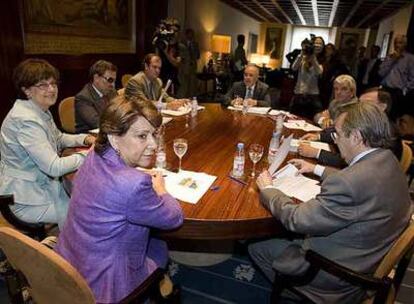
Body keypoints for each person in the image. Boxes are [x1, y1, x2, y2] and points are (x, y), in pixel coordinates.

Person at [249, 101, 411, 303]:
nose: (335, 141)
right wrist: (316, 168)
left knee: (256, 247)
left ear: (356, 137)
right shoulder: (388, 159)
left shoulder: (348, 183)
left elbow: (297, 219)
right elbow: (359, 179)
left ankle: (296, 293)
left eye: (338, 135)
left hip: (335, 275)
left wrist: (268, 190)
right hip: (367, 254)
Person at [55, 96, 184, 303]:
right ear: (114, 138)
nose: (153, 144)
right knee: (160, 245)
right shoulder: (133, 184)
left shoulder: (93, 155)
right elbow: (174, 218)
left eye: (154, 134)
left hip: (72, 258)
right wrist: (161, 190)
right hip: (107, 281)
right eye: (142, 136)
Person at [0, 59, 95, 229]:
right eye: (43, 85)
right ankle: (72, 252)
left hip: (40, 187)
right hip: (25, 199)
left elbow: (57, 138)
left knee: (85, 199)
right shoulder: (26, 119)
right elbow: (54, 167)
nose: (51, 89)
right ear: (26, 90)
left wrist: (84, 139)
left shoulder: (39, 109)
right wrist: (89, 154)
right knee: (87, 213)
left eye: (53, 83)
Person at [75, 60, 118, 133]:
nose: (113, 85)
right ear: (96, 78)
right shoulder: (83, 97)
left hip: (112, 132)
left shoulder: (112, 92)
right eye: (110, 80)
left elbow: (120, 112)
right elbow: (97, 123)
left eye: (114, 81)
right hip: (89, 138)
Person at [379, 35, 414, 120]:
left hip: (397, 92)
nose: (397, 45)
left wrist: (405, 90)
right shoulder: (389, 57)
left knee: (393, 117)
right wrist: (392, 60)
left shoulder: (410, 58)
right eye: (395, 43)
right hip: (385, 89)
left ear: (405, 44)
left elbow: (413, 77)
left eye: (400, 43)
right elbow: (381, 73)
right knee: (381, 115)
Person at [290, 37, 324, 120]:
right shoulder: (302, 58)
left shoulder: (322, 60)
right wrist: (301, 54)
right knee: (294, 119)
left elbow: (319, 72)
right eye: (316, 43)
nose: (317, 46)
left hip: (313, 95)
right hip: (299, 93)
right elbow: (294, 68)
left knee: (312, 120)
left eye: (320, 44)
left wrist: (313, 58)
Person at [177, 28, 200, 98]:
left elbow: (198, 56)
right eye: (189, 34)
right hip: (183, 68)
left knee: (192, 87)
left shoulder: (195, 44)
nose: (191, 36)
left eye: (192, 35)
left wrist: (193, 48)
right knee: (184, 86)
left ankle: (192, 99)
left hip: (192, 68)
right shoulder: (181, 44)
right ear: (186, 35)